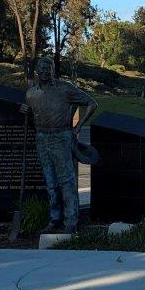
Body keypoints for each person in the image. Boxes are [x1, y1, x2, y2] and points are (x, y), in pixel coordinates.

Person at [21, 57, 97, 233]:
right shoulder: (31, 94)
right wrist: (26, 112)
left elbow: (92, 103)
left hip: (61, 137)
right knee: (50, 183)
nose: (46, 72)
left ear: (53, 70)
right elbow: (36, 117)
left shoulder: (65, 89)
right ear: (37, 71)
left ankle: (71, 222)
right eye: (42, 69)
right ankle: (54, 219)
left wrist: (78, 126)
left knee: (66, 181)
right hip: (42, 138)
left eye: (49, 68)